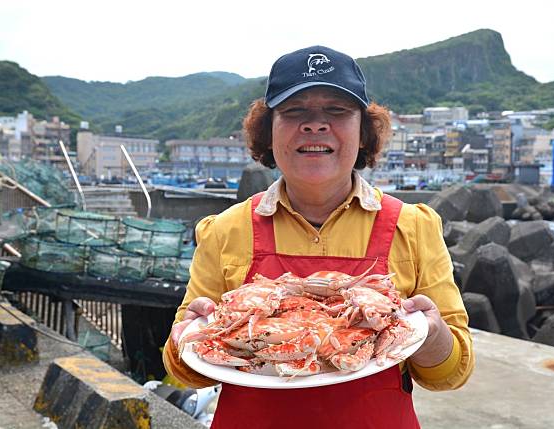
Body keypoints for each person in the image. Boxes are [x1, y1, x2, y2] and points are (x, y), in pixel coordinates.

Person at [163, 45, 474, 428]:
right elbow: (186, 370)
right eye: (294, 112)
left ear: (364, 132)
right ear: (268, 131)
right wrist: (188, 338)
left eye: (337, 111)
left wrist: (431, 333)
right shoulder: (224, 230)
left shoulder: (414, 227)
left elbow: (451, 371)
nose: (315, 124)